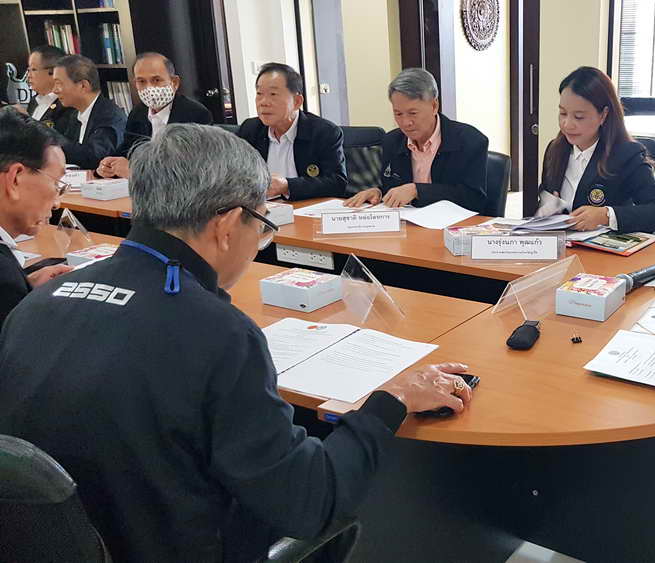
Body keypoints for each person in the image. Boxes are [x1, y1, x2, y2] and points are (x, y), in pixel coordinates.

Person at [0, 123, 475, 561]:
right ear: (227, 225)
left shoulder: (36, 304)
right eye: (262, 225)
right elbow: (311, 502)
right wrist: (391, 401)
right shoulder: (218, 334)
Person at [534, 66, 655, 233]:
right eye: (563, 113)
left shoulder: (627, 154)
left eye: (579, 117)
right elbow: (547, 197)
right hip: (564, 243)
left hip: (604, 247)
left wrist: (606, 215)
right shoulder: (555, 149)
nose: (567, 124)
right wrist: (548, 208)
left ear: (603, 115)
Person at [345, 68, 489, 213]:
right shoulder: (392, 141)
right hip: (409, 223)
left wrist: (417, 191)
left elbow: (473, 199)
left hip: (453, 223)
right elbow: (394, 187)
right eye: (398, 114)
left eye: (413, 113)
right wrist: (379, 193)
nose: (405, 122)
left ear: (434, 106)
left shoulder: (470, 141)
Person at [0, 108, 73, 328]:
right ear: (15, 178)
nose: (57, 203)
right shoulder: (4, 279)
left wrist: (26, 284)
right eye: (56, 184)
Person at [237, 62, 348, 200]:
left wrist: (287, 186)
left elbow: (337, 183)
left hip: (305, 208)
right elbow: (235, 175)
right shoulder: (250, 129)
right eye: (259, 94)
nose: (263, 102)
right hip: (261, 208)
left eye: (273, 94)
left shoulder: (324, 132)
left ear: (297, 101)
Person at [96, 52, 213, 179]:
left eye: (156, 80)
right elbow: (127, 151)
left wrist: (136, 172)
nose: (149, 88)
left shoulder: (196, 114)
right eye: (141, 81)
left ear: (174, 82)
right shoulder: (138, 113)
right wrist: (108, 166)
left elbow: (192, 169)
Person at [51, 54, 126, 169]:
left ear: (83, 86)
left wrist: (49, 136)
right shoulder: (73, 114)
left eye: (59, 83)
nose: (54, 90)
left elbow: (94, 158)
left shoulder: (111, 116)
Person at [23, 45, 75, 131]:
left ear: (53, 71)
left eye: (34, 69)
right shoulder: (34, 101)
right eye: (28, 70)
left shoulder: (68, 105)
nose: (29, 76)